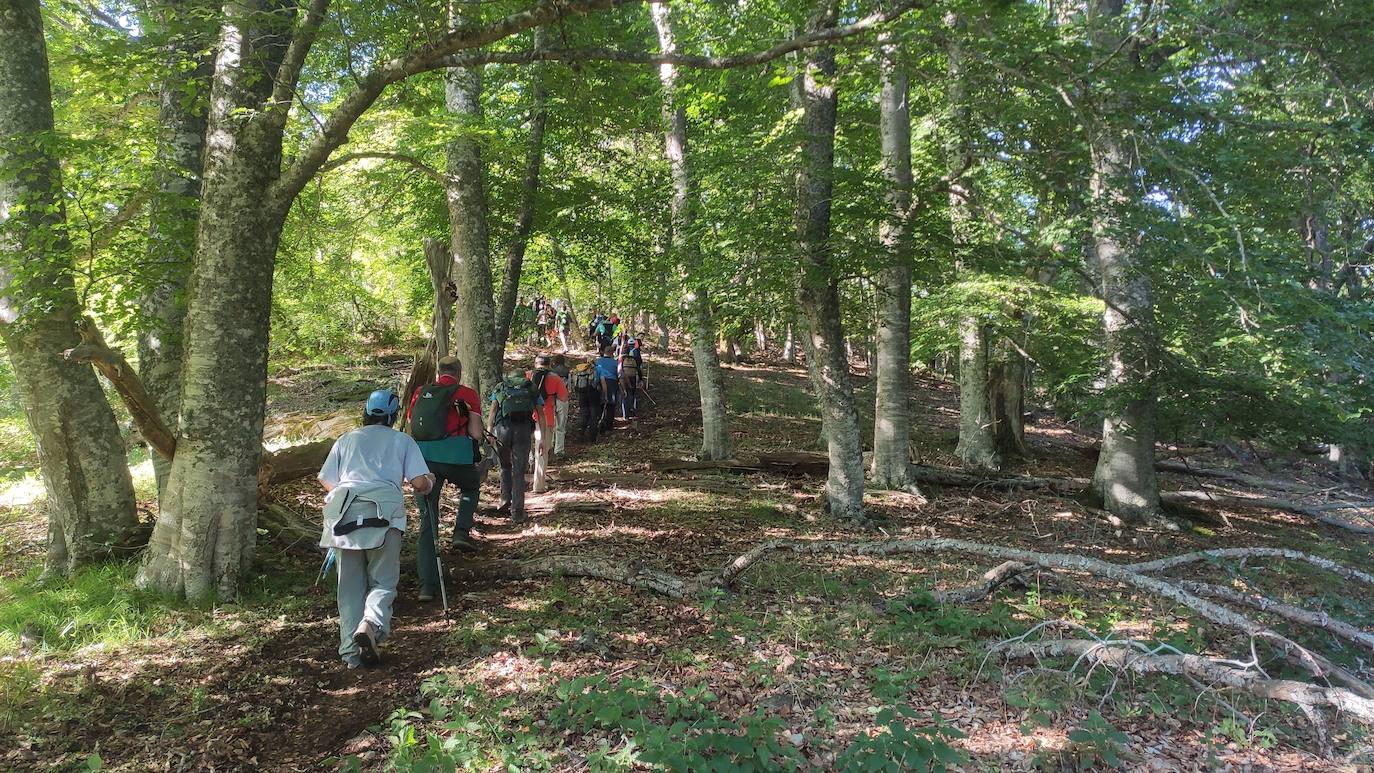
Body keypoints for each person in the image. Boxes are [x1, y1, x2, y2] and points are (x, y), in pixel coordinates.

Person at [317, 389, 434, 669]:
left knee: (349, 587)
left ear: (367, 411)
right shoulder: (402, 440)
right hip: (385, 513)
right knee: (382, 580)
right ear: (393, 415)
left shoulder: (346, 439)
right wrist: (429, 483)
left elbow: (326, 479)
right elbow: (419, 483)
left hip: (344, 513)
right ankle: (371, 624)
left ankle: (349, 653)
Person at [406, 357, 484, 602]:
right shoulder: (467, 394)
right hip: (457, 458)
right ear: (459, 373)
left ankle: (426, 587)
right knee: (471, 486)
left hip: (424, 461)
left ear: (439, 372)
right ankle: (461, 531)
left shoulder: (421, 392)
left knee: (428, 520)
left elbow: (411, 425)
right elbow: (476, 433)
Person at [487, 369, 542, 526]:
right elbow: (540, 415)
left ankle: (505, 499)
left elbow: (492, 411)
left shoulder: (501, 387)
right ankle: (517, 511)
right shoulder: (531, 388)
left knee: (504, 465)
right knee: (519, 471)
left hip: (503, 429)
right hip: (523, 430)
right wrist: (542, 438)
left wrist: (490, 432)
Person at [527, 354, 568, 493]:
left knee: (525, 447)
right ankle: (538, 485)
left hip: (525, 418)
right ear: (549, 365)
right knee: (542, 450)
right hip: (545, 417)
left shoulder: (527, 376)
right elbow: (564, 397)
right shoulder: (555, 378)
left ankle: (519, 481)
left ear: (535, 364)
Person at [570, 358, 600, 443]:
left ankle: (580, 433)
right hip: (593, 394)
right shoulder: (594, 370)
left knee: (583, 413)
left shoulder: (579, 371)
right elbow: (597, 382)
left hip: (582, 394)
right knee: (593, 414)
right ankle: (592, 437)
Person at [550, 353, 572, 457]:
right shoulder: (567, 371)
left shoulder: (550, 372)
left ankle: (550, 443)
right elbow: (570, 386)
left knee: (551, 424)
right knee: (561, 426)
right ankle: (559, 449)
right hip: (563, 400)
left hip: (550, 400)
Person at [595, 344, 620, 432]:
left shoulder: (598, 361)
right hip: (612, 383)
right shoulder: (615, 362)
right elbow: (620, 374)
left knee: (600, 404)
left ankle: (600, 424)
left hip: (599, 384)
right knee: (611, 405)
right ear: (612, 353)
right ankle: (609, 426)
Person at [619, 339, 644, 419]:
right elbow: (638, 368)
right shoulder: (634, 354)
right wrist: (640, 379)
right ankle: (632, 410)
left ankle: (625, 415)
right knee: (632, 393)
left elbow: (619, 369)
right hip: (632, 376)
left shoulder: (621, 357)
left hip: (624, 377)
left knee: (624, 394)